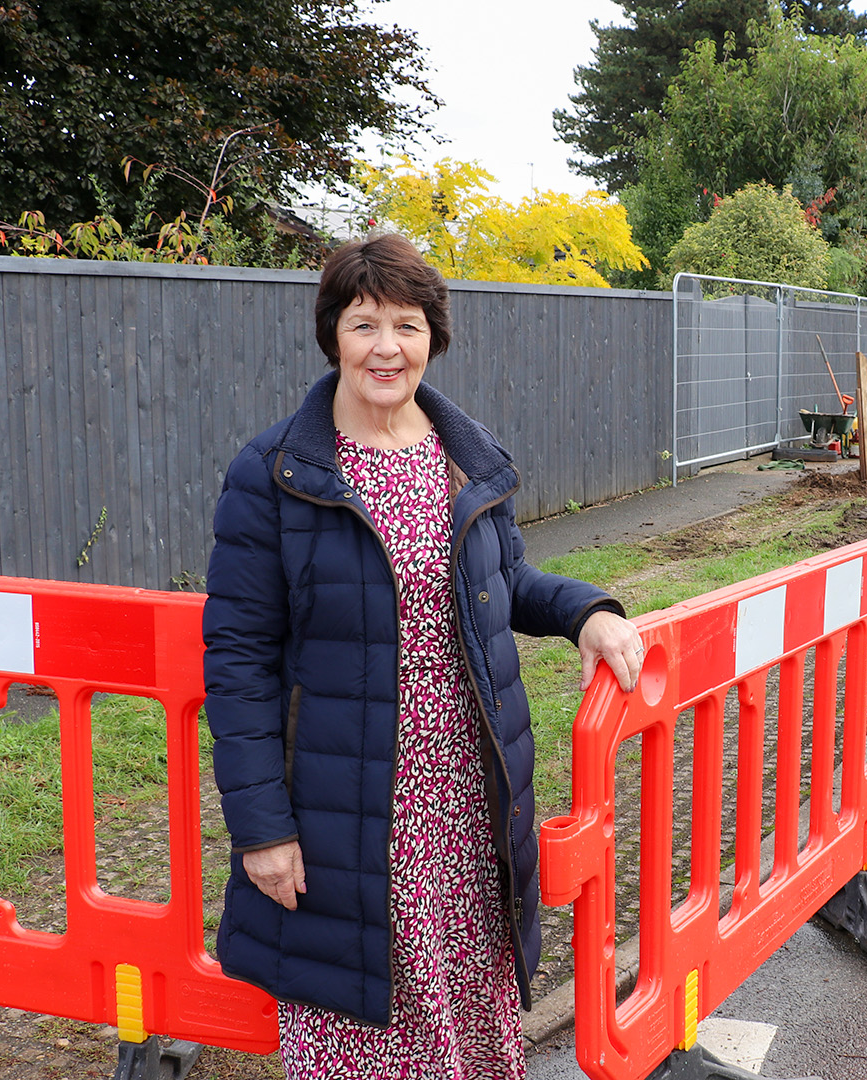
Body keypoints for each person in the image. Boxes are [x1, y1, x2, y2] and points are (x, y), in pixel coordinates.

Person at [203, 232, 644, 1078]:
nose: (386, 348)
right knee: (360, 1031)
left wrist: (587, 613)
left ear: (432, 339)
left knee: (467, 1027)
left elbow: (507, 577)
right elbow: (239, 658)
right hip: (347, 812)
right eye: (365, 324)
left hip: (464, 803)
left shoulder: (463, 456)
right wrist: (262, 829)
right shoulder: (274, 473)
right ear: (333, 333)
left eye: (407, 326)